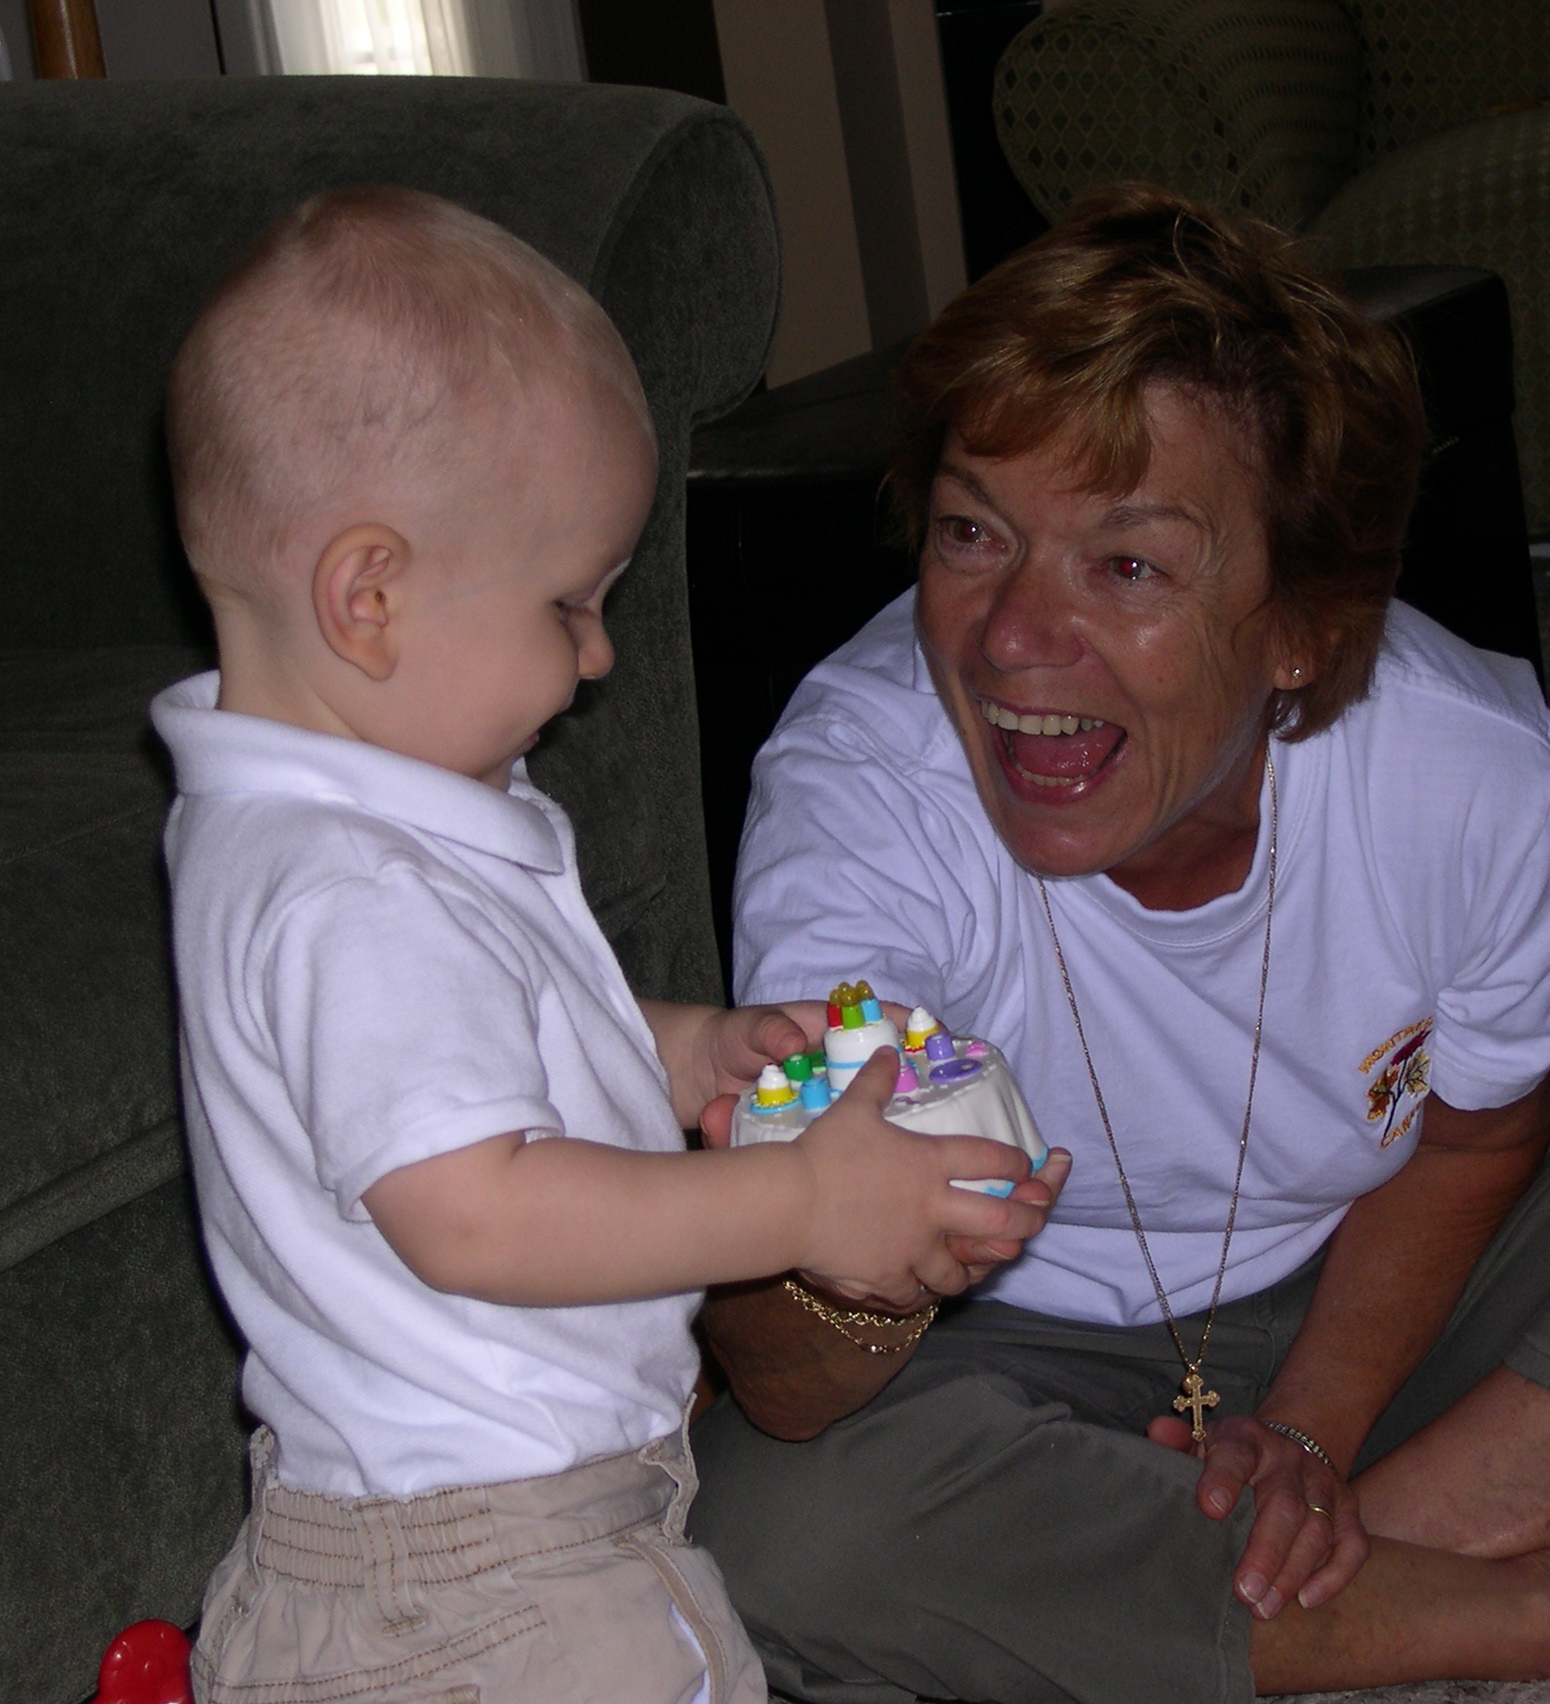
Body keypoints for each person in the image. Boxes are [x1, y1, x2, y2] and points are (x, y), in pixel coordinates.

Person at [689, 184, 1550, 1702]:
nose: (1011, 638)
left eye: (1128, 564)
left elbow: (1475, 1148)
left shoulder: (1463, 764)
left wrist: (1319, 1443)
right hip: (1003, 1353)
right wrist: (827, 1246)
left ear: (1300, 632)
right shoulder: (863, 785)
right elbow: (797, 1399)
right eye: (971, 532)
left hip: (1376, 1295)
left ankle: (1303, 1580)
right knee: (780, 1530)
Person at [150, 187, 1063, 1704]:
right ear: (367, 598)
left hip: (447, 1543)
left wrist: (682, 1045)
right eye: (569, 602)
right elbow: (477, 1217)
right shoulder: (351, 889)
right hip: (494, 1581)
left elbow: (484, 1031)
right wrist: (793, 1203)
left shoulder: (355, 827)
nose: (598, 654)